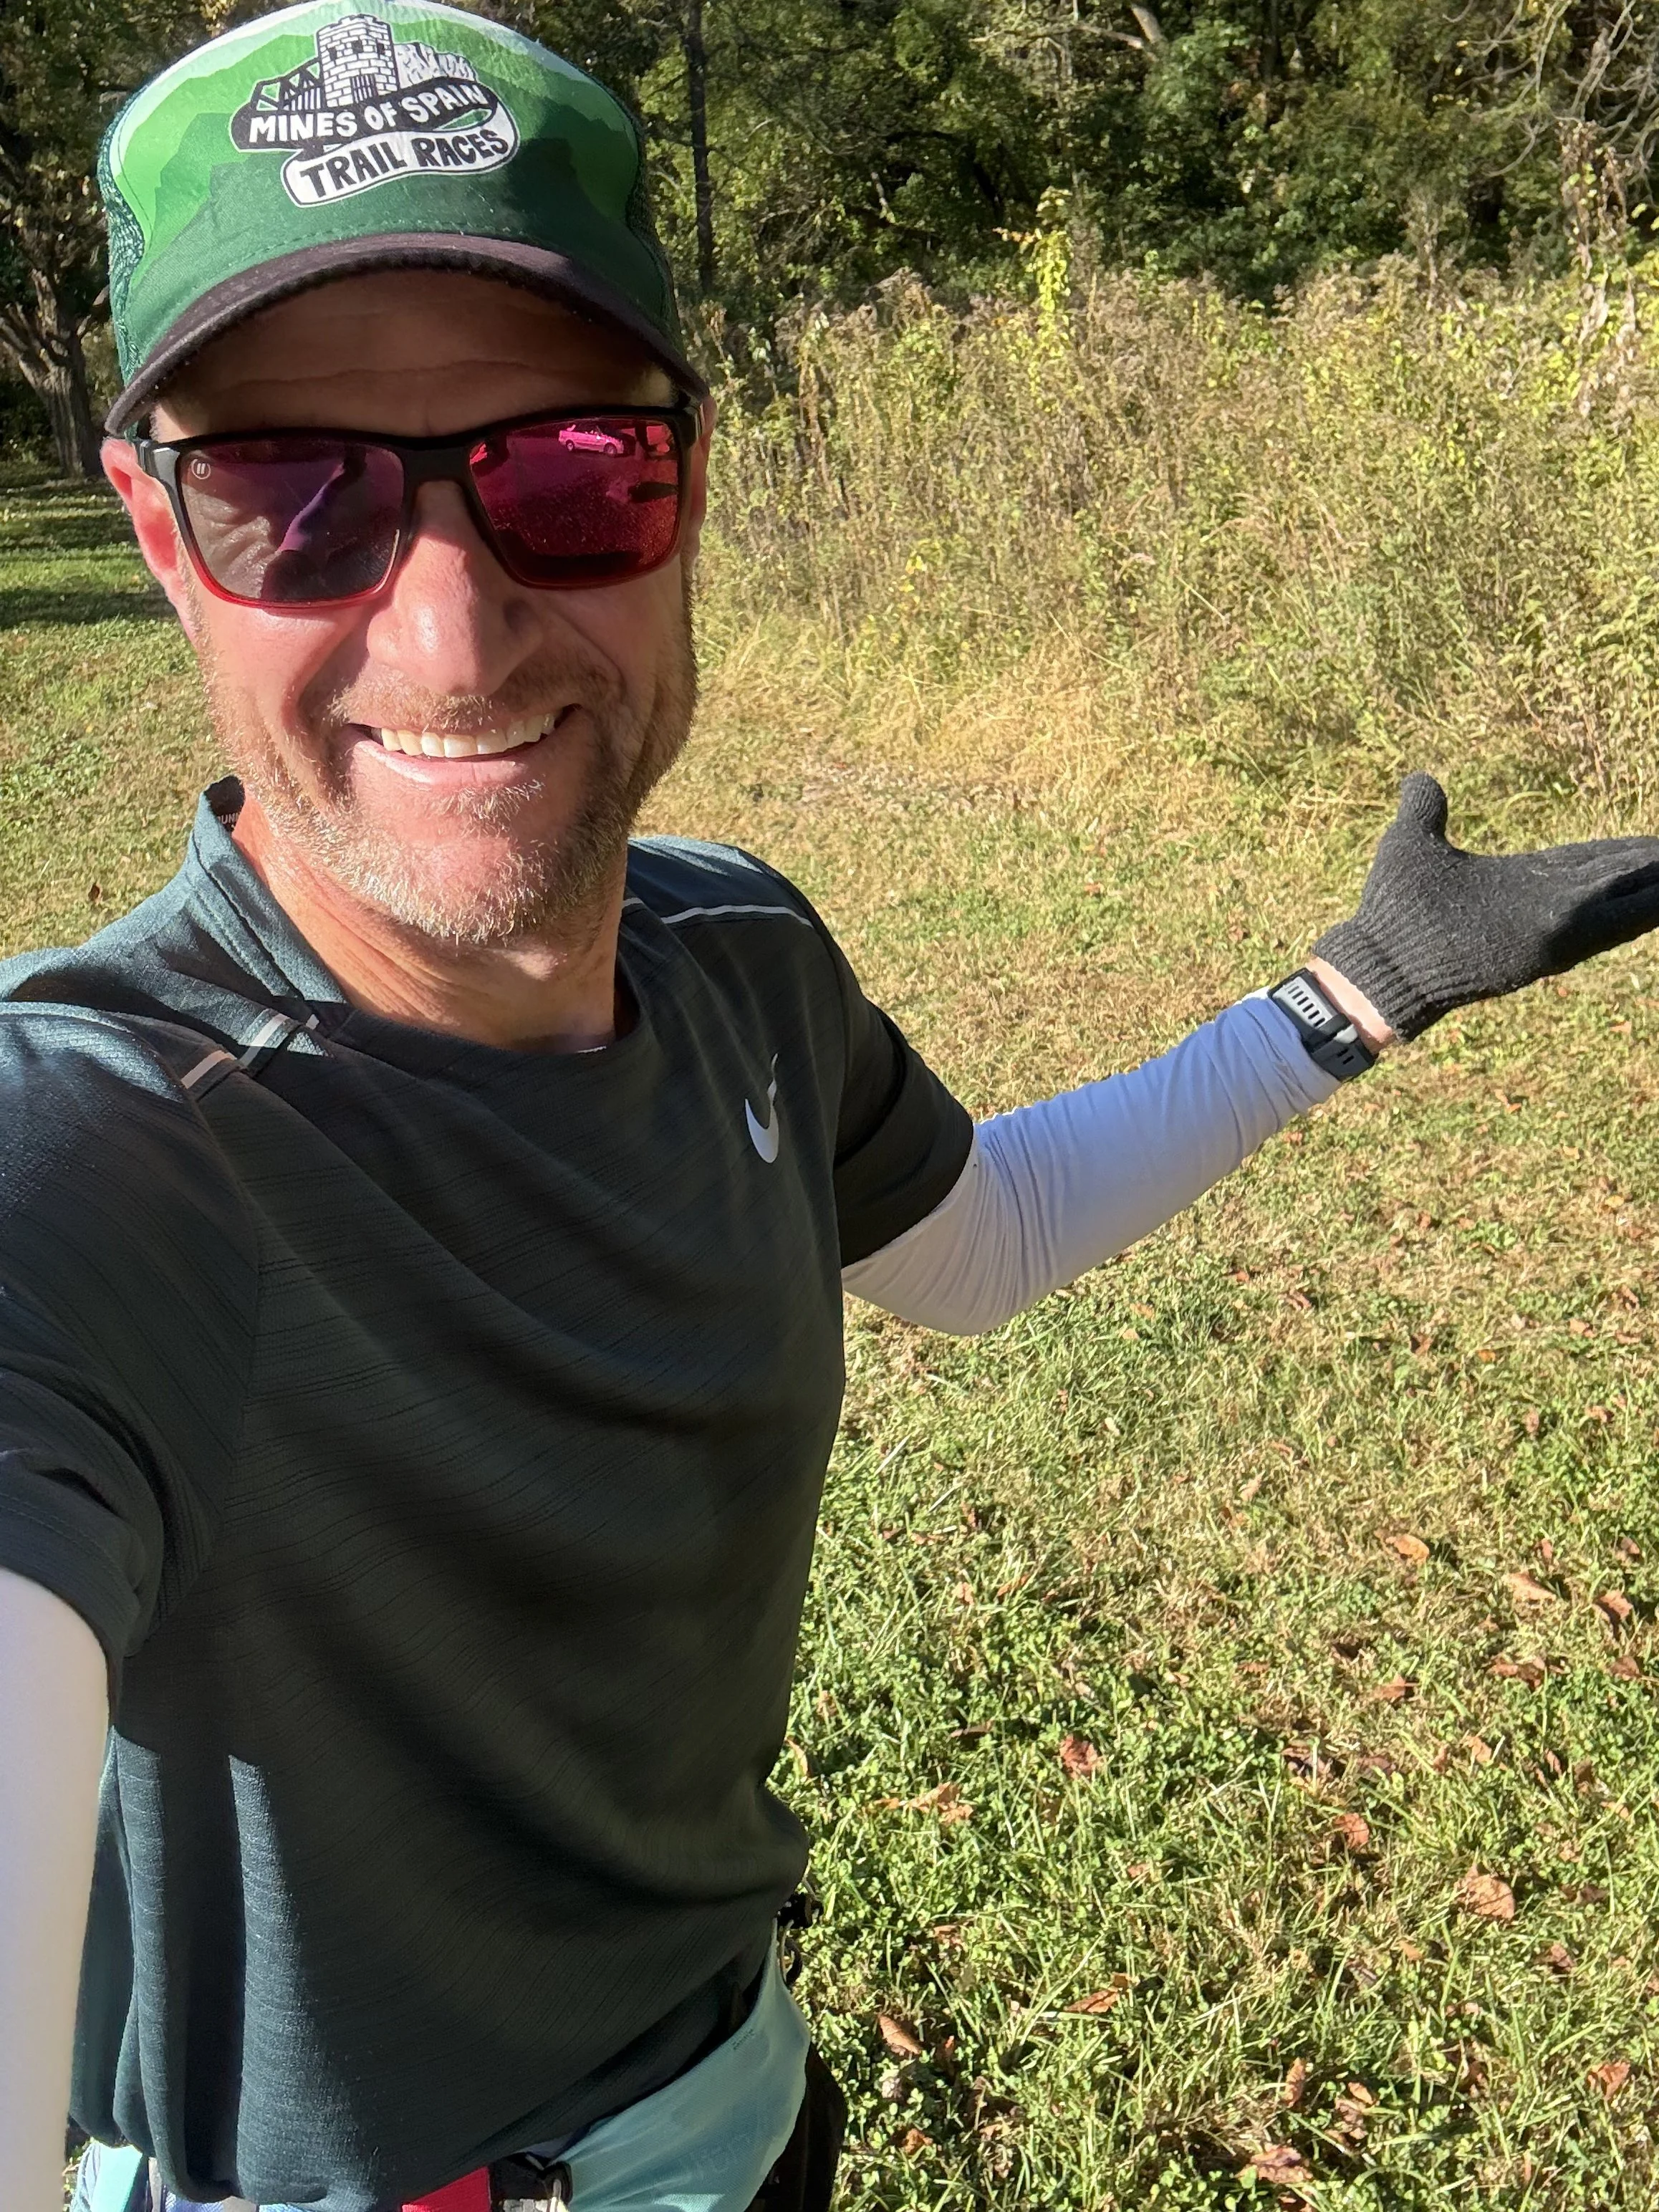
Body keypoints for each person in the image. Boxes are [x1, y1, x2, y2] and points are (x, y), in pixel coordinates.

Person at [4, 7, 1658, 2210]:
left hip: (738, 2113)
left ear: (691, 482)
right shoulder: (97, 1148)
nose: (451, 627)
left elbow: (974, 1247)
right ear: (155, 531)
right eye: (287, 498)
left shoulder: (738, 967)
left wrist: (1356, 995)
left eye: (569, 473)